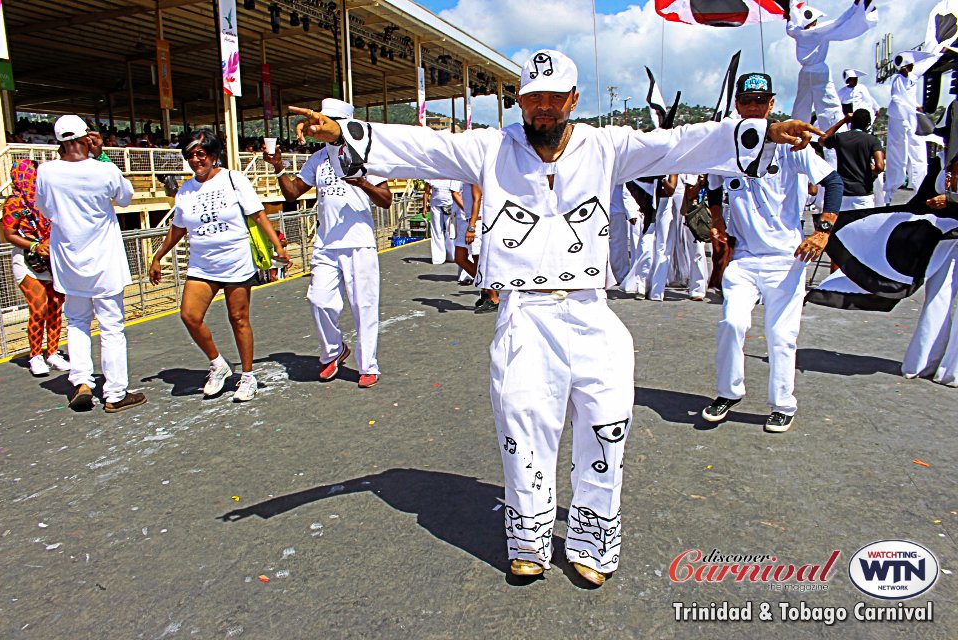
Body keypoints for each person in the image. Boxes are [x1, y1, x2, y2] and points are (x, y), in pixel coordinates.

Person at [288, 51, 818, 586]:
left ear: (572, 101)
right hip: (523, 314)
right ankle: (530, 539)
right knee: (522, 427)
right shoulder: (491, 148)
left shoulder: (606, 145)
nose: (542, 110)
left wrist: (762, 130)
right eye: (532, 98)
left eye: (552, 98)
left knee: (607, 428)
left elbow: (675, 144)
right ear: (519, 101)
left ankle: (592, 539)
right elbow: (425, 147)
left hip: (591, 310)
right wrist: (343, 133)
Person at [702, 73, 843, 433]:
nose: (753, 107)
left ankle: (783, 403)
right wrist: (716, 219)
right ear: (737, 105)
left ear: (770, 105)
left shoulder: (789, 146)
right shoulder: (726, 148)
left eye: (760, 101)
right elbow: (714, 187)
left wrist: (823, 231)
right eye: (747, 101)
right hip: (746, 259)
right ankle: (728, 392)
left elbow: (833, 182)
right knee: (732, 323)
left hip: (787, 258)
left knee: (781, 335)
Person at [149, 128, 291, 401]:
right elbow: (178, 228)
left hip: (235, 261)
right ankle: (218, 364)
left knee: (238, 319)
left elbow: (258, 215)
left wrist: (277, 245)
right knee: (189, 316)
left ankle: (248, 377)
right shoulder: (186, 190)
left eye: (201, 154)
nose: (195, 160)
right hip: (203, 264)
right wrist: (158, 256)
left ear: (213, 155)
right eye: (190, 155)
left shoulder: (232, 179)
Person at [263, 99, 391, 388]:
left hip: (359, 243)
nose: (323, 126)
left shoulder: (366, 154)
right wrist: (279, 169)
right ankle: (334, 351)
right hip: (326, 242)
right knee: (319, 299)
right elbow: (294, 193)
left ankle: (368, 365)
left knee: (364, 305)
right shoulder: (319, 158)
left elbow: (386, 199)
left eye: (330, 120)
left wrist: (364, 184)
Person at [35, 114, 146, 413]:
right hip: (104, 260)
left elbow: (44, 209)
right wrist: (103, 155)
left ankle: (81, 381)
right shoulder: (103, 170)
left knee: (77, 321)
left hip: (69, 259)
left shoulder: (46, 172)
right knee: (111, 326)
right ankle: (115, 393)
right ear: (87, 137)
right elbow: (125, 197)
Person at [1, 159, 69, 376]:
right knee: (39, 307)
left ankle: (52, 352)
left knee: (56, 306)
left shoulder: (47, 200)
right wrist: (34, 244)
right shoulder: (14, 203)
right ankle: (35, 355)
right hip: (27, 259)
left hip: (51, 258)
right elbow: (9, 234)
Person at [901, 147, 958, 386]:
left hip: (948, 236)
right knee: (937, 297)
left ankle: (950, 369)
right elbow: (920, 200)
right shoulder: (942, 160)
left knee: (939, 296)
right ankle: (925, 362)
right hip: (947, 238)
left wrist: (952, 200)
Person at [786, 0, 877, 149]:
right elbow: (840, 21)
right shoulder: (818, 31)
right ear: (813, 22)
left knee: (800, 109)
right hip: (819, 71)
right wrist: (856, 6)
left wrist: (791, 9)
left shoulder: (796, 32)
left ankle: (794, 139)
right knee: (829, 110)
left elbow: (790, 23)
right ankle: (837, 147)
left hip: (804, 72)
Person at [884, 52, 928, 205]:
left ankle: (919, 188)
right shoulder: (898, 81)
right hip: (900, 118)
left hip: (909, 118)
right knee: (897, 155)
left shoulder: (910, 78)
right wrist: (913, 109)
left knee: (917, 153)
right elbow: (899, 100)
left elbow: (926, 64)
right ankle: (890, 192)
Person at [819, 109, 885, 210]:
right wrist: (873, 172)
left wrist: (843, 121)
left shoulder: (840, 138)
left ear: (852, 122)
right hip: (863, 194)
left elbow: (822, 139)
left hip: (842, 193)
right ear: (867, 124)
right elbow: (880, 166)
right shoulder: (872, 140)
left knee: (841, 225)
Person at [421, 179, 460, 265]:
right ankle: (438, 258)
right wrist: (424, 207)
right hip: (435, 206)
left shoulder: (451, 176)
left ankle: (451, 256)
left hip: (450, 205)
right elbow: (426, 192)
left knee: (451, 232)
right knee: (437, 231)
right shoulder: (431, 176)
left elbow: (457, 192)